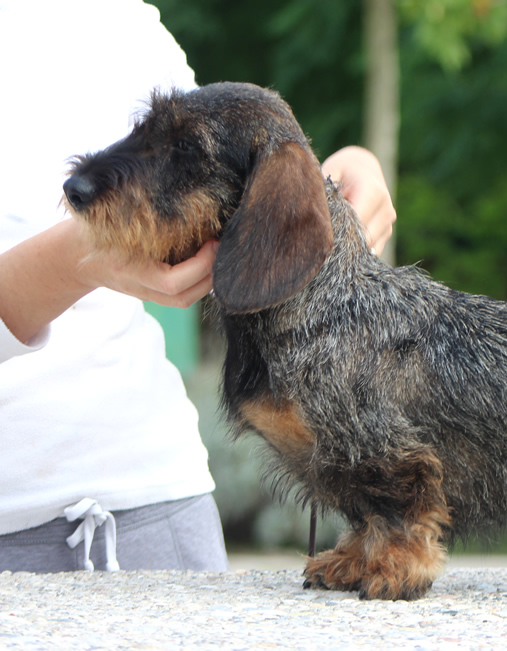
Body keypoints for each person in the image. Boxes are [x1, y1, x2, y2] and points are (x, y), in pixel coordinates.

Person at [0, 0, 395, 572]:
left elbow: (231, 154)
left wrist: (344, 169)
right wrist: (75, 263)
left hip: (160, 510)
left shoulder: (119, 17)